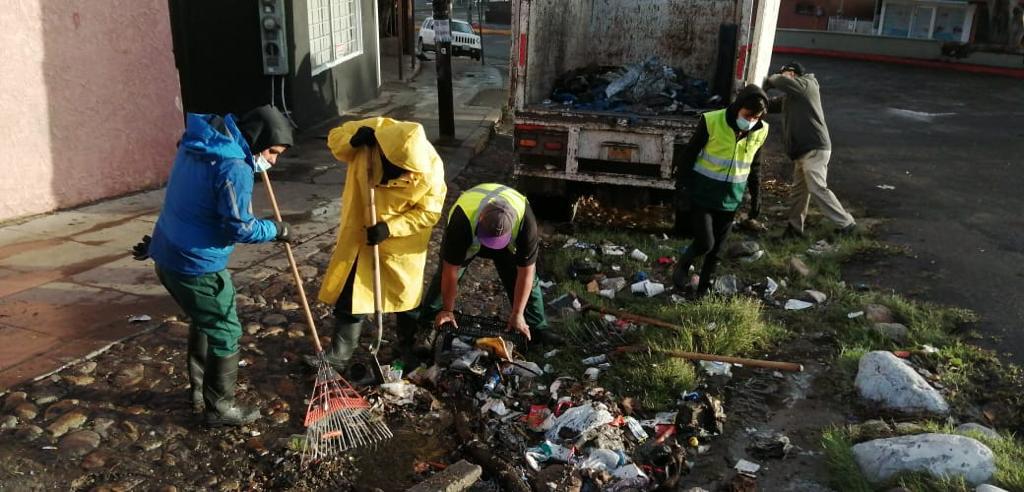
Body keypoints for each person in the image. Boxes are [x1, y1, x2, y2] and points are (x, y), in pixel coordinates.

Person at [132, 105, 294, 426]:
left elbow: (186, 199)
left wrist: (158, 243)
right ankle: (220, 409)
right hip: (197, 266)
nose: (273, 161)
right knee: (225, 330)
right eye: (272, 152)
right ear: (257, 139)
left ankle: (199, 392)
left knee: (204, 321)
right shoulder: (233, 165)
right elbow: (239, 226)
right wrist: (276, 230)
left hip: (168, 253)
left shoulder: (197, 144)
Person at [310, 117, 447, 372]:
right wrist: (352, 141)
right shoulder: (376, 132)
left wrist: (390, 228)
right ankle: (339, 355)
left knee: (405, 299)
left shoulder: (431, 169)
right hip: (359, 233)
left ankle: (404, 348)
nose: (399, 177)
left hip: (400, 244)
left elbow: (429, 213)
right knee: (352, 293)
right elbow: (335, 139)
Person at [398, 183, 560, 354]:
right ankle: (430, 324)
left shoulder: (526, 224)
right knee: (442, 280)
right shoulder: (461, 220)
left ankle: (536, 329)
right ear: (481, 217)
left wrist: (517, 313)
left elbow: (526, 273)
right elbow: (450, 272)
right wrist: (448, 309)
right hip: (470, 237)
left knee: (529, 283)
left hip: (507, 245)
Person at [671, 86, 770, 295]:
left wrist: (756, 198)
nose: (750, 121)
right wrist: (682, 188)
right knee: (706, 242)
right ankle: (683, 265)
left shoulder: (761, 130)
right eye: (747, 115)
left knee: (717, 251)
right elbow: (689, 155)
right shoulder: (712, 121)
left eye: (756, 117)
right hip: (703, 194)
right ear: (737, 108)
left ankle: (703, 290)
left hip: (731, 199)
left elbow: (755, 167)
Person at [765, 61, 856, 238]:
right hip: (802, 151)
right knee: (799, 192)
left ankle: (846, 223)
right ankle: (794, 228)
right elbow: (770, 105)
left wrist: (772, 79)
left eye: (784, 74)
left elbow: (781, 82)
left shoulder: (808, 85)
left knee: (817, 187)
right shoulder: (792, 97)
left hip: (815, 148)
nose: (782, 78)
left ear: (792, 73)